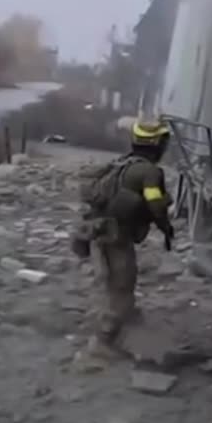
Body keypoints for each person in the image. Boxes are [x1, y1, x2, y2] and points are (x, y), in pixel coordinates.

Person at [73, 119, 176, 357]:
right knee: (122, 284)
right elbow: (155, 205)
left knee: (113, 282)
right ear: (157, 144)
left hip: (100, 232)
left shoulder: (122, 163)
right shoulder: (149, 172)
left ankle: (125, 319)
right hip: (117, 236)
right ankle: (104, 341)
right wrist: (166, 228)